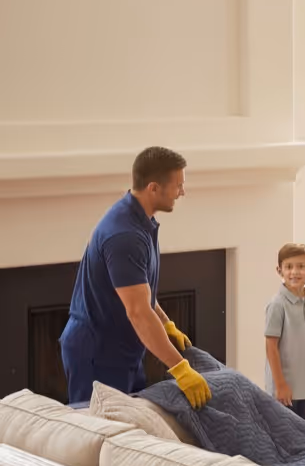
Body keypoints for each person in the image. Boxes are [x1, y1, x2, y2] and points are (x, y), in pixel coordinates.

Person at [59, 146, 211, 409]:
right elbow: (139, 311)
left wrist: (165, 324)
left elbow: (142, 290)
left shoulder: (141, 220)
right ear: (153, 188)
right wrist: (180, 368)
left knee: (131, 425)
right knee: (100, 432)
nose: (182, 192)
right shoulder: (124, 236)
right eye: (178, 185)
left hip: (123, 350)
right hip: (97, 354)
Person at [265, 243, 305, 422]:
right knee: (284, 435)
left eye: (301, 266)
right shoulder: (277, 305)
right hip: (284, 387)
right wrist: (280, 385)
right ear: (279, 270)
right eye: (289, 267)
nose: (294, 272)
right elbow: (271, 346)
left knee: (302, 433)